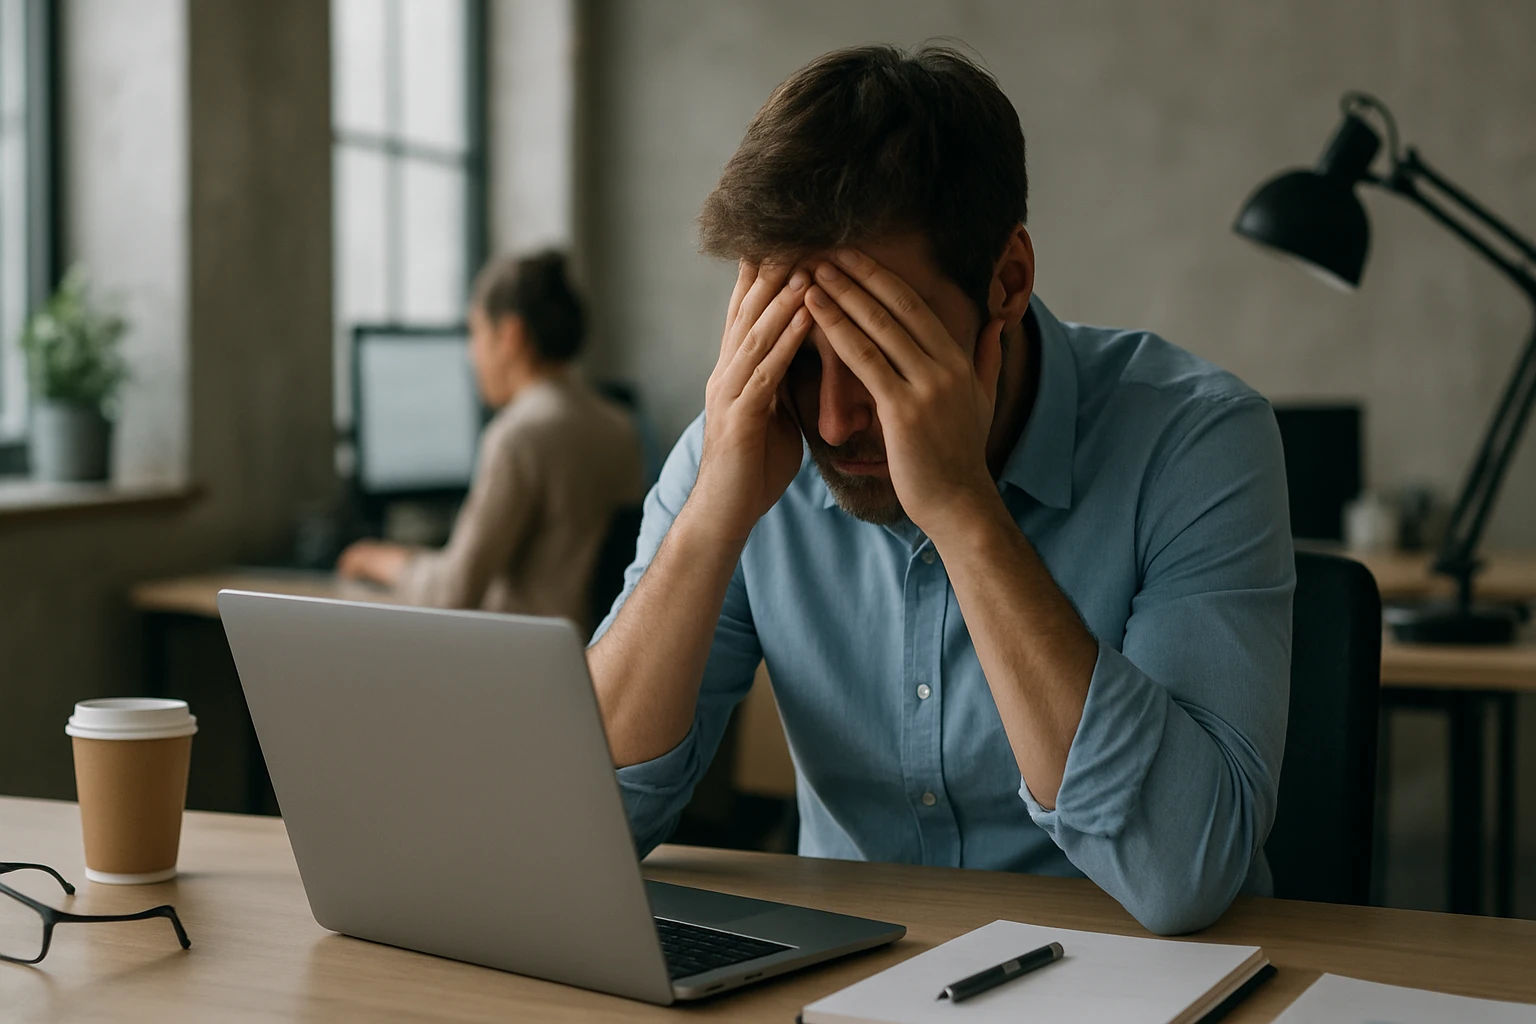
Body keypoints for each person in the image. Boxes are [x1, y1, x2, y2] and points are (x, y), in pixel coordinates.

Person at [586, 46, 1293, 936]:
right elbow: (574, 833)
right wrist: (710, 520)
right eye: (799, 357)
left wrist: (964, 509)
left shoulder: (1196, 439)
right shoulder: (740, 446)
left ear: (1007, 281)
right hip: (844, 982)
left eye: (883, 352)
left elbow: (1186, 873)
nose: (836, 421)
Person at [338, 250, 643, 634]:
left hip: (527, 665)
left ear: (510, 335)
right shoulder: (618, 425)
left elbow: (454, 591)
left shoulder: (519, 435)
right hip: (599, 655)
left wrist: (375, 559)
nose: (471, 354)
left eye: (476, 332)